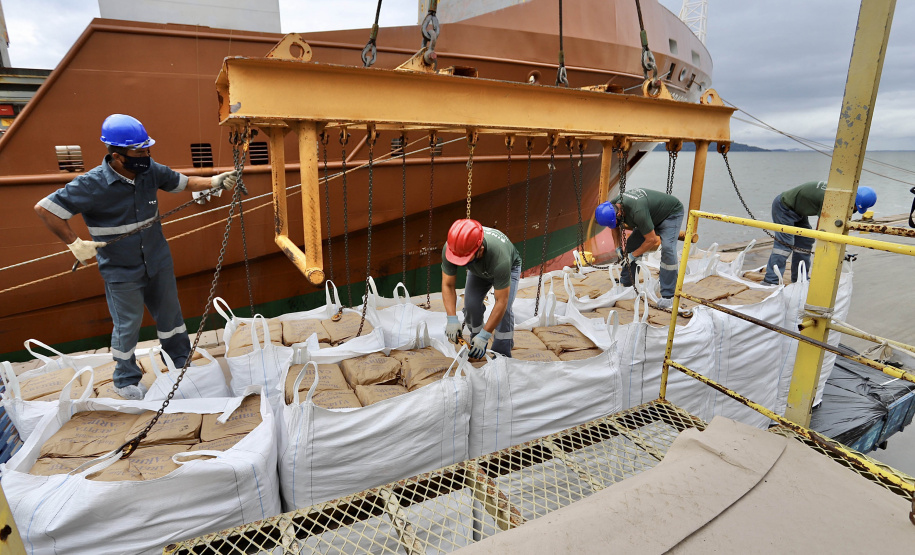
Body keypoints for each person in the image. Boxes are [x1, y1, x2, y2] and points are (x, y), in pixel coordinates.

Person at [34, 114, 239, 400]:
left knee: (171, 316)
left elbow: (184, 182)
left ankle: (179, 361)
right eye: (139, 151)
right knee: (127, 325)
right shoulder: (91, 184)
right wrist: (74, 243)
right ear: (118, 157)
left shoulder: (150, 171)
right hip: (120, 269)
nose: (146, 156)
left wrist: (216, 180)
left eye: (147, 149)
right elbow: (45, 209)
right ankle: (125, 379)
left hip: (158, 260)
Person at [763, 182, 876, 285]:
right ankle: (770, 281)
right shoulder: (832, 199)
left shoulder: (842, 193)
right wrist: (839, 250)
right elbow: (822, 229)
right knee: (784, 245)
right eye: (855, 207)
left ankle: (799, 279)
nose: (854, 210)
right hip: (784, 207)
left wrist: (843, 250)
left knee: (805, 241)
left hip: (799, 210)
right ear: (853, 199)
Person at [441, 219, 522, 359]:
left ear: (480, 250)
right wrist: (451, 318)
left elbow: (501, 301)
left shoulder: (500, 258)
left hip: (508, 269)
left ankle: (502, 352)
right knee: (471, 305)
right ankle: (475, 339)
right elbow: (448, 284)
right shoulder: (453, 248)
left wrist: (486, 335)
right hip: (478, 270)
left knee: (505, 311)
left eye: (466, 260)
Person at [595, 188, 684, 310]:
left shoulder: (637, 212)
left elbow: (652, 240)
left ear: (619, 213)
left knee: (668, 249)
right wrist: (618, 247)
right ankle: (627, 285)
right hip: (650, 215)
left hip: (670, 214)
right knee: (631, 245)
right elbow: (615, 226)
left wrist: (633, 256)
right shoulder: (614, 205)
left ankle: (668, 296)